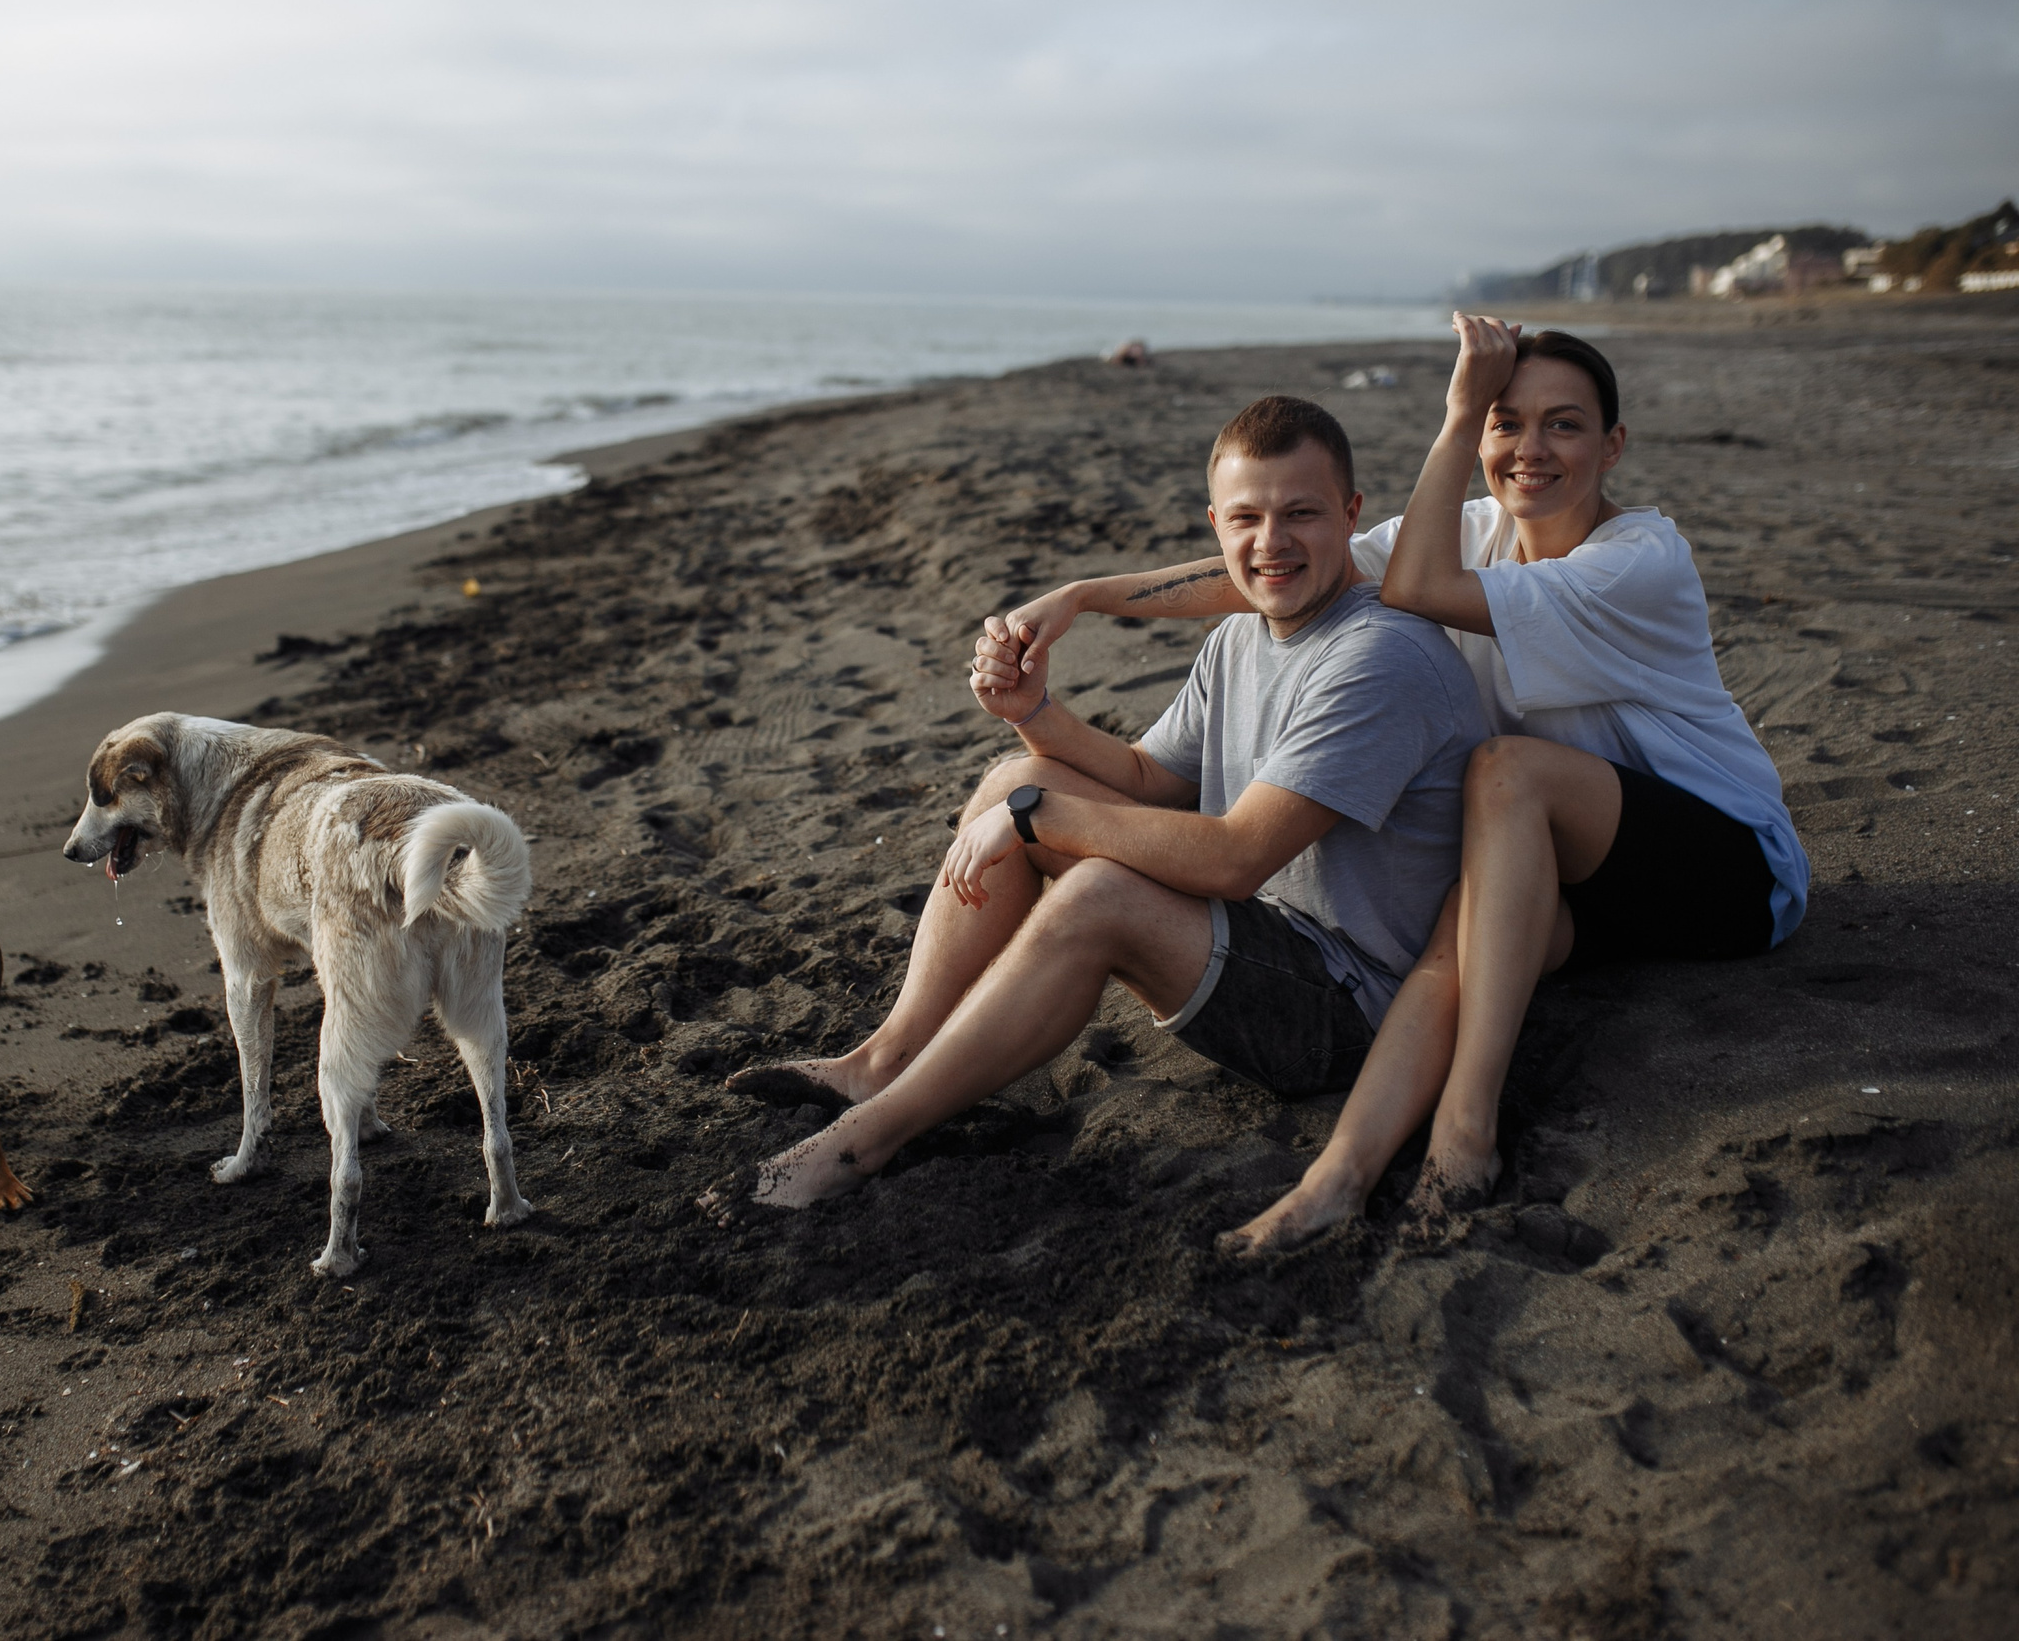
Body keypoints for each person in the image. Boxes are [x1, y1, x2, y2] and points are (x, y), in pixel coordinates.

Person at [983, 318, 1808, 1252]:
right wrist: (1086, 594)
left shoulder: (1636, 562)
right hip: (1566, 855)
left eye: (1564, 425)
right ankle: (1336, 1180)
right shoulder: (1474, 530)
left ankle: (1467, 1129)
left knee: (1502, 771)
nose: (1528, 450)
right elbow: (1281, 561)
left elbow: (1411, 588)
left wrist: (1458, 412)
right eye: (1505, 422)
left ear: (1613, 446)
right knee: (1448, 947)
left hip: (1726, 868)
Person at [719, 396, 1488, 1208]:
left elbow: (1237, 856)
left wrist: (1037, 819)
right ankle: (884, 1063)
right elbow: (1149, 779)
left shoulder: (1380, 657)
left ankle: (859, 1145)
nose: (1271, 543)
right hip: (1262, 938)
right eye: (1246, 518)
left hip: (1349, 1011)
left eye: (1301, 513)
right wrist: (1033, 718)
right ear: (1215, 523)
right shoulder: (1239, 637)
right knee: (1009, 781)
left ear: (1351, 513)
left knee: (1089, 883)